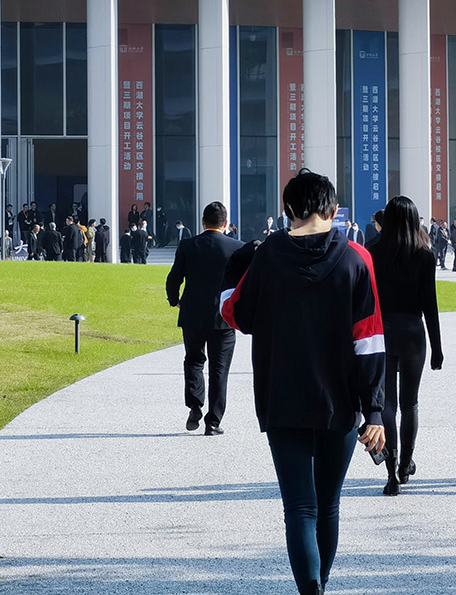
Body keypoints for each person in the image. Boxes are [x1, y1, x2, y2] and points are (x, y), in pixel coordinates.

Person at [221, 170, 385, 595]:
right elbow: (369, 340)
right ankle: (320, 585)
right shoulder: (356, 258)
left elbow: (237, 315)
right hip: (341, 400)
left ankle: (310, 591)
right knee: (327, 506)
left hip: (283, 395)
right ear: (334, 209)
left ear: (288, 209)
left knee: (299, 507)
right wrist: (375, 411)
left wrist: (233, 271)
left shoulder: (269, 255)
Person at [367, 195, 443, 496]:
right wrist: (437, 348)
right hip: (413, 332)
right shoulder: (424, 255)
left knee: (387, 404)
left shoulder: (372, 251)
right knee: (410, 403)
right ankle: (405, 464)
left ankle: (391, 472)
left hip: (382, 333)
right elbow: (430, 306)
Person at [166, 201, 244, 436]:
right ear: (226, 223)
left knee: (193, 360)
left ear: (203, 222)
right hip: (223, 317)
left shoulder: (188, 245)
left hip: (193, 314)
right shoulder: (236, 248)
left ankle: (195, 405)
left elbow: (174, 278)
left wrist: (174, 300)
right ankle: (213, 421)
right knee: (220, 369)